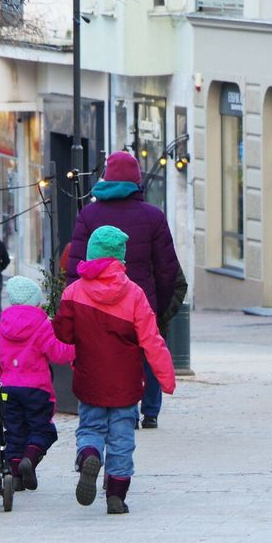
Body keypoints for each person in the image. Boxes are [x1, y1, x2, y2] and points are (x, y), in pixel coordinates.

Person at [54, 226, 176, 514]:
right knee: (122, 436)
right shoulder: (134, 294)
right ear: (121, 257)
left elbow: (64, 335)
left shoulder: (74, 292)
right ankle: (116, 496)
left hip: (89, 378)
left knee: (91, 427)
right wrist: (166, 378)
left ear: (92, 253)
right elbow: (151, 339)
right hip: (126, 383)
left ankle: (89, 456)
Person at [66, 150, 184, 429]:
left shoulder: (88, 214)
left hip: (94, 302)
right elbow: (167, 268)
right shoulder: (153, 216)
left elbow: (76, 264)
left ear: (106, 177)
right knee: (148, 346)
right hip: (140, 298)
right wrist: (160, 306)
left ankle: (121, 409)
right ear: (137, 180)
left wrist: (74, 303)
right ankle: (151, 411)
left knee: (109, 352)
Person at [0, 276, 75, 491]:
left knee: (14, 431)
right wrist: (76, 348)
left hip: (8, 388)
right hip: (36, 389)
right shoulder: (42, 324)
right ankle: (30, 459)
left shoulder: (3, 325)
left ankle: (15, 477)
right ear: (35, 301)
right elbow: (57, 353)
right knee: (43, 430)